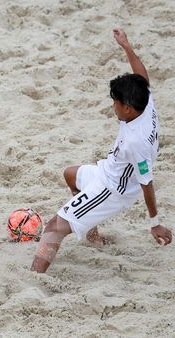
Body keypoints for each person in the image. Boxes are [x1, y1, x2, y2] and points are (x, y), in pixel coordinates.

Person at [30, 28, 172, 273]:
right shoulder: (144, 102)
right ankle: (91, 231)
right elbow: (142, 75)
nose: (113, 106)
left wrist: (155, 224)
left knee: (54, 228)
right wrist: (126, 47)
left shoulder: (135, 142)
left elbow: (146, 183)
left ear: (127, 108)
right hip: (108, 169)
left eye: (115, 102)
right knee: (71, 174)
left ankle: (34, 278)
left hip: (111, 189)